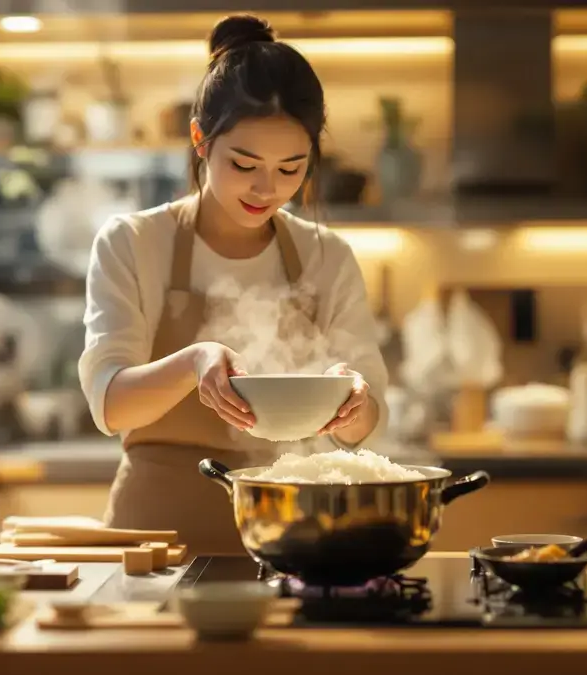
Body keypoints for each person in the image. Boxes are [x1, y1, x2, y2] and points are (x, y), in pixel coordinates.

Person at [78, 14, 389, 556]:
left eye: (290, 169)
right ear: (200, 139)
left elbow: (366, 422)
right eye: (245, 164)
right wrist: (193, 362)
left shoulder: (327, 256)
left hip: (292, 538)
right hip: (154, 544)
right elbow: (110, 405)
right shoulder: (132, 243)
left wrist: (353, 402)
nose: (267, 189)